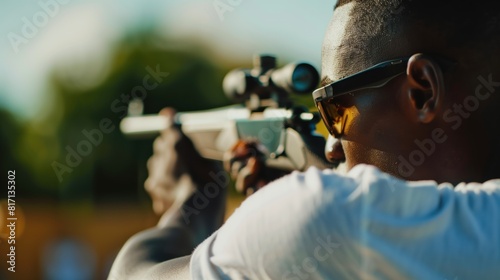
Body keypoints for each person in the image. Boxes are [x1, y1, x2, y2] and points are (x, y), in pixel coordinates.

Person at [108, 1, 500, 279]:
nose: (331, 146)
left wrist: (186, 208)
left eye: (334, 109)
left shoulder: (325, 216)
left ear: (422, 93)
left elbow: (131, 274)